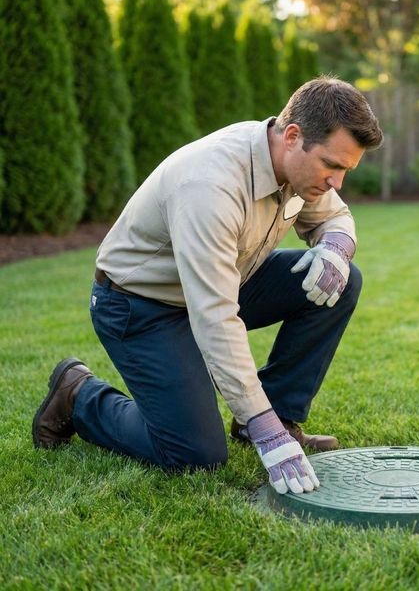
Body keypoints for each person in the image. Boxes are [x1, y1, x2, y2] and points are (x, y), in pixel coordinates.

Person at [32, 76, 383, 495]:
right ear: (293, 136)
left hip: (223, 283)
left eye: (345, 169)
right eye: (333, 166)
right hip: (139, 306)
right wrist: (262, 423)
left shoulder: (296, 164)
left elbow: (334, 217)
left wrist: (336, 248)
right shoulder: (210, 186)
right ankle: (78, 397)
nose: (337, 182)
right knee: (195, 454)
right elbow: (215, 318)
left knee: (342, 281)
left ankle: (280, 415)